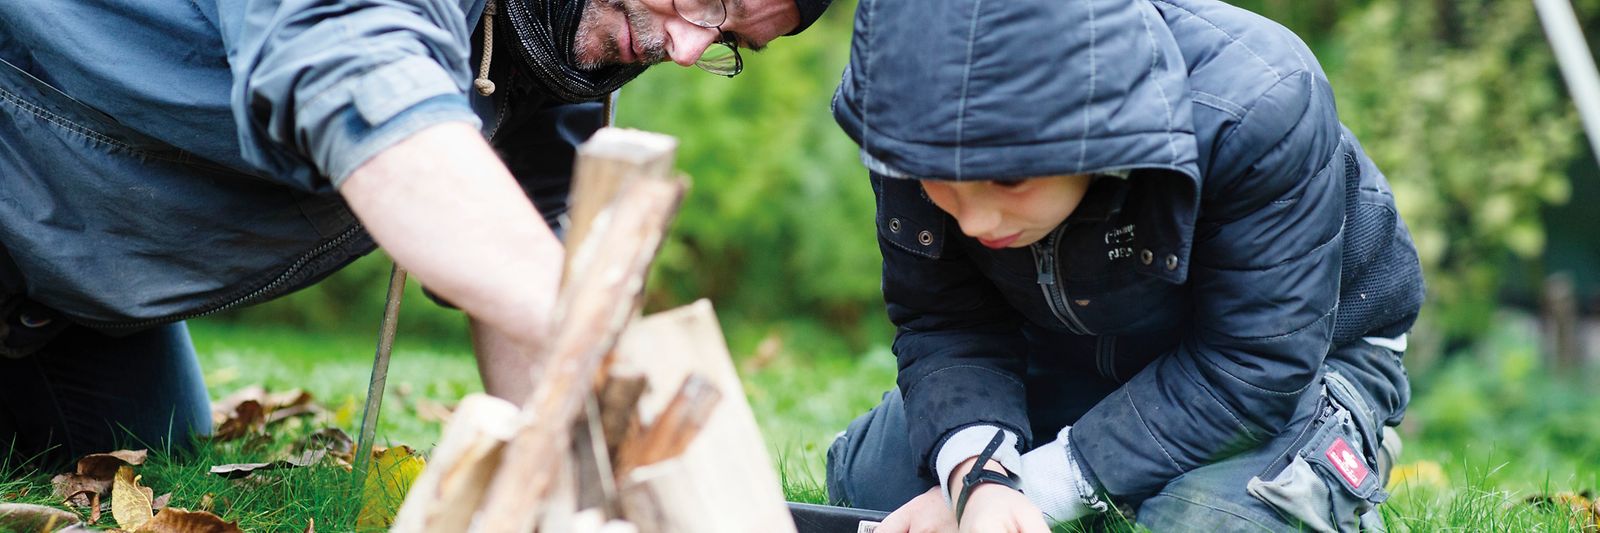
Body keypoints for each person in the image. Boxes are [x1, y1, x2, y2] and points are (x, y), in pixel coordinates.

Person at [0, 0, 833, 467]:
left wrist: (605, 478)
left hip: (62, 295)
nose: (686, 48)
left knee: (154, 450)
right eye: (707, 0)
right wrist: (604, 346)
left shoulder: (552, 47)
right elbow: (360, 79)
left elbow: (536, 236)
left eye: (727, 39)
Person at [824, 0, 1424, 531]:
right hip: (1066, 341)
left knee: (1212, 522)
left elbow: (1256, 364)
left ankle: (1337, 453)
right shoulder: (904, 111)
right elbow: (946, 322)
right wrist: (977, 478)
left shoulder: (1259, 105)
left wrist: (1038, 486)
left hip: (1292, 364)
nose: (976, 222)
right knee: (871, 486)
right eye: (943, 187)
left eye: (1009, 178)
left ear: (1089, 126)